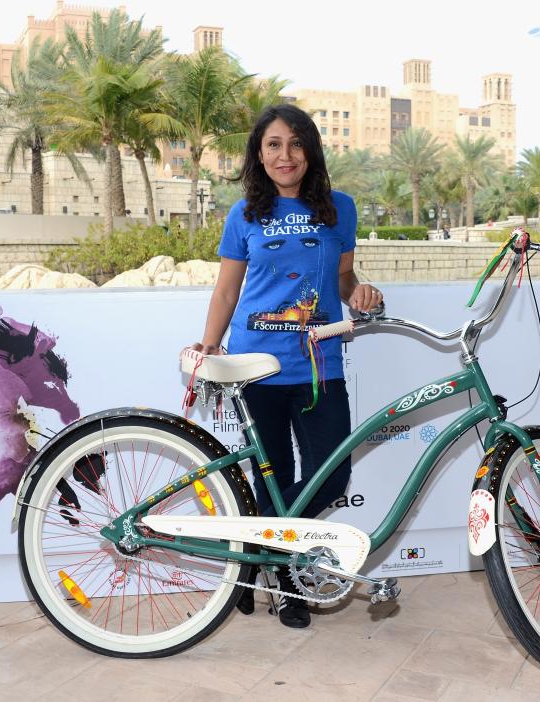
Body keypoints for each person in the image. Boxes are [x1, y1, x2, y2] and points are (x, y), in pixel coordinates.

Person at [189, 104, 383, 629]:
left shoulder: (339, 208)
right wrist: (210, 344)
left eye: (296, 144)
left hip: (321, 368)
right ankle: (286, 583)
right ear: (259, 152)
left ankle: (253, 542)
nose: (285, 155)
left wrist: (359, 292)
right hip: (257, 367)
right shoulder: (244, 213)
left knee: (331, 475)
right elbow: (228, 288)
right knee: (274, 476)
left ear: (311, 151)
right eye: (273, 144)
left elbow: (344, 282)